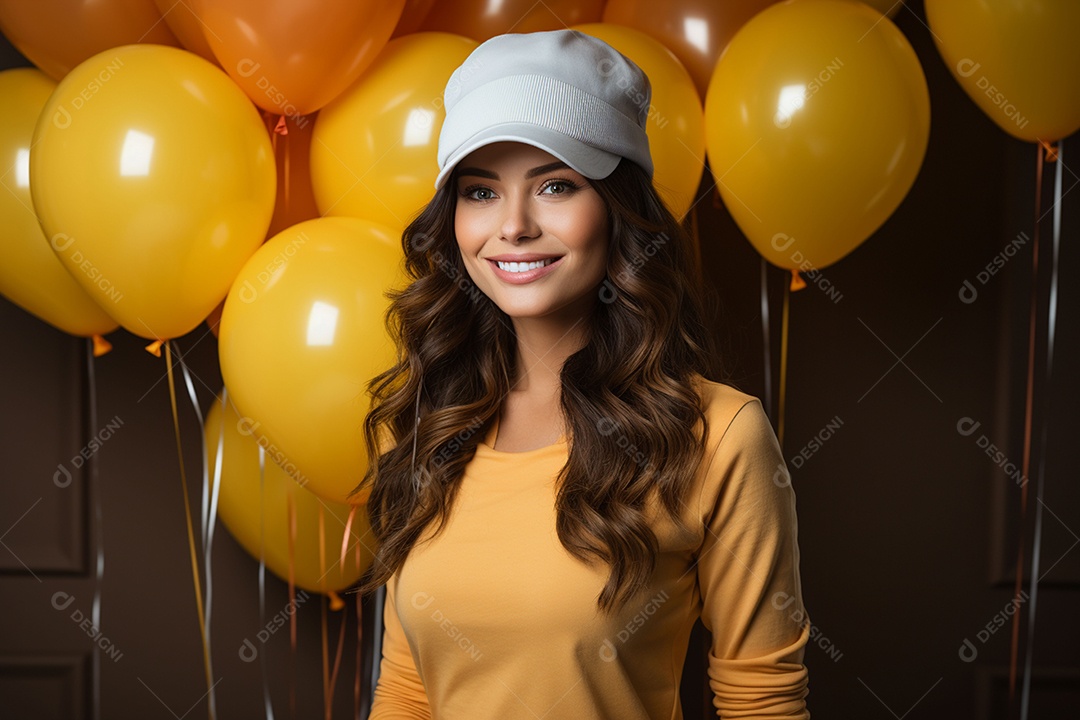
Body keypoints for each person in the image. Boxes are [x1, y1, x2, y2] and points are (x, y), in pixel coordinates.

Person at [356, 29, 810, 719]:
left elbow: (762, 704)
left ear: (619, 210)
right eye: (480, 192)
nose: (512, 225)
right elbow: (408, 692)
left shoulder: (719, 436)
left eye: (556, 185)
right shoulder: (428, 423)